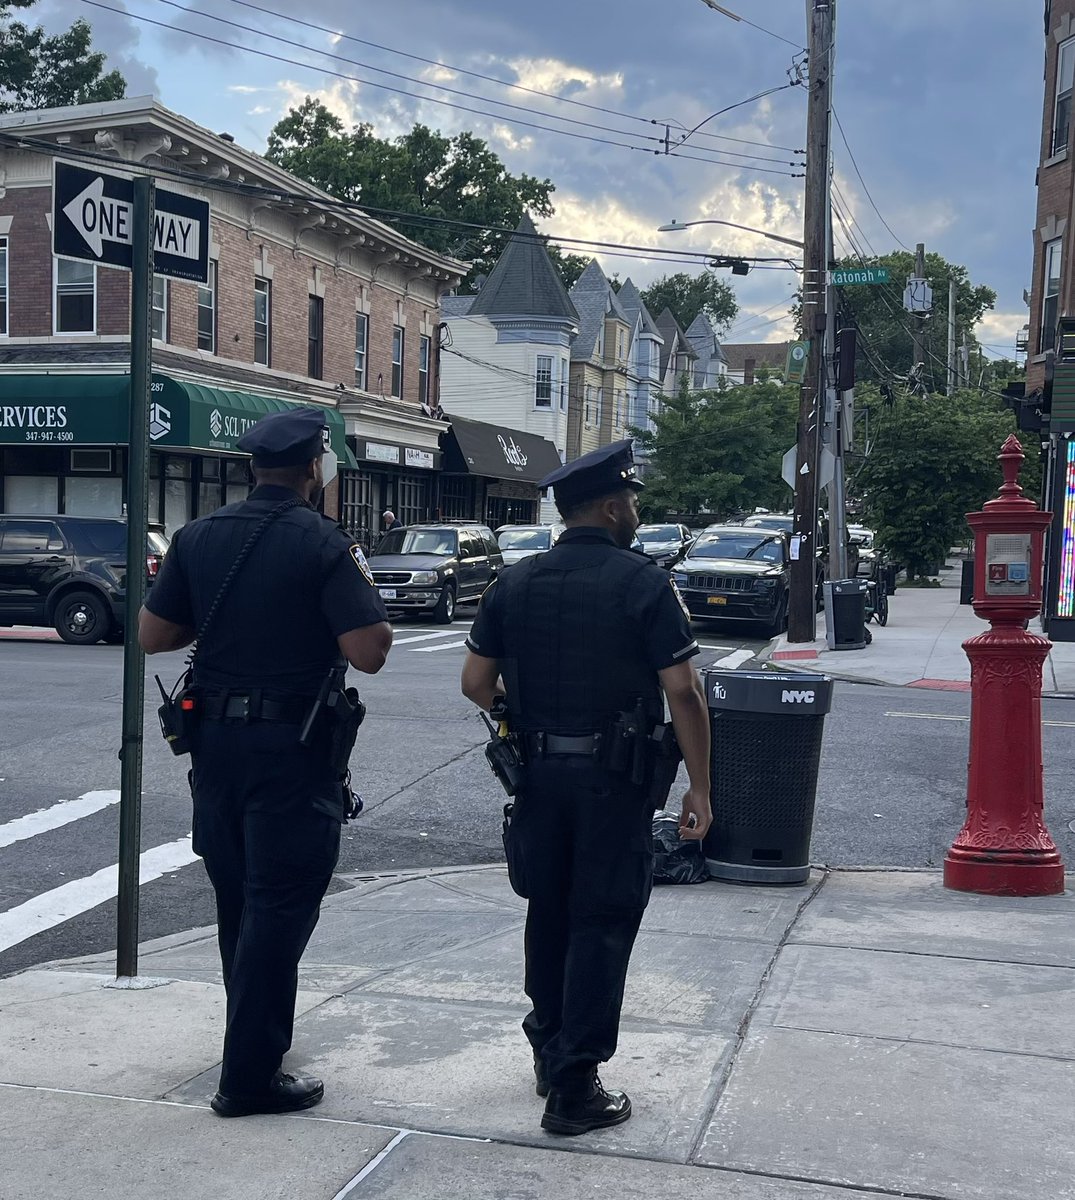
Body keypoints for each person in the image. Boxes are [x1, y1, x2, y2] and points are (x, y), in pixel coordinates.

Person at [138, 407, 392, 1119]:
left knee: (239, 900)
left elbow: (154, 636)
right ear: (315, 467)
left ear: (255, 467)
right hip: (292, 752)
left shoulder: (198, 536)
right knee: (280, 905)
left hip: (214, 751)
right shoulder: (323, 543)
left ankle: (250, 1044)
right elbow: (368, 652)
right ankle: (248, 1077)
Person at [460, 439, 712, 1137]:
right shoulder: (642, 582)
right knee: (601, 921)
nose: (635, 510)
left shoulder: (514, 582)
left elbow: (476, 684)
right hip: (612, 780)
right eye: (630, 500)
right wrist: (700, 789)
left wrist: (528, 717)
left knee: (548, 909)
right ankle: (574, 1088)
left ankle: (548, 1049)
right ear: (609, 507)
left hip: (537, 778)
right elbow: (683, 692)